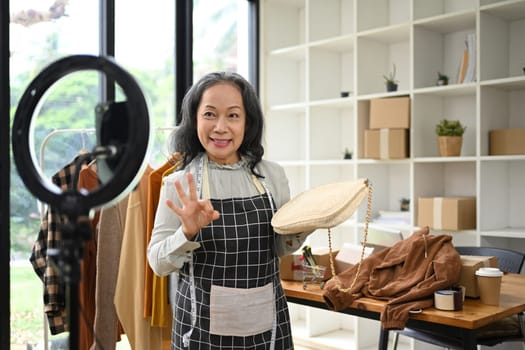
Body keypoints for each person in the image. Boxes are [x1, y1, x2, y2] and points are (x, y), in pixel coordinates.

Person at [147, 71, 311, 349]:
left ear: (248, 122)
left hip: (267, 327)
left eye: (233, 115)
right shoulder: (178, 183)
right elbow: (157, 263)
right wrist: (186, 231)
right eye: (210, 114)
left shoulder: (272, 176)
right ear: (194, 119)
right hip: (199, 332)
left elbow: (281, 248)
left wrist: (305, 225)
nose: (220, 127)